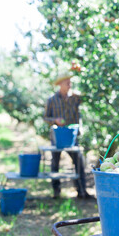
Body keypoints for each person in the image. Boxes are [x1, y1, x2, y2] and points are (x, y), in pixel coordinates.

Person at [43, 69, 93, 199]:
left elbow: (89, 96)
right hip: (57, 137)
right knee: (55, 163)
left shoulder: (75, 98)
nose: (69, 85)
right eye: (67, 82)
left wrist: (81, 72)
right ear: (60, 84)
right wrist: (55, 120)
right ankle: (56, 191)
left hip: (71, 136)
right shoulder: (52, 100)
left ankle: (81, 191)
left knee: (79, 161)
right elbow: (45, 117)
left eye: (70, 82)